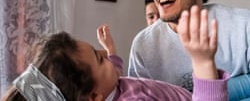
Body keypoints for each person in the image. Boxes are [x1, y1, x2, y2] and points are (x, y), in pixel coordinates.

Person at [3, 23, 229, 101]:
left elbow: (115, 73)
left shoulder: (105, 88)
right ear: (93, 97)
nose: (102, 53)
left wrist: (110, 50)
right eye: (99, 58)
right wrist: (202, 62)